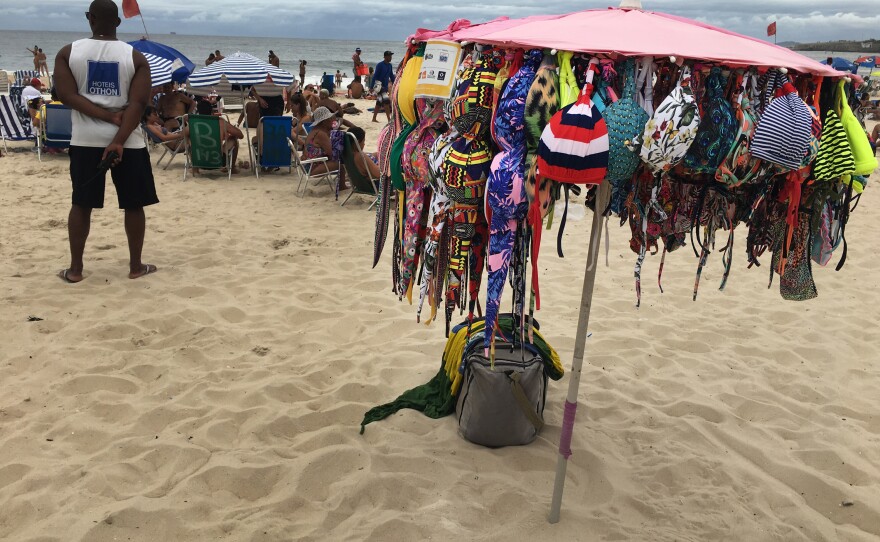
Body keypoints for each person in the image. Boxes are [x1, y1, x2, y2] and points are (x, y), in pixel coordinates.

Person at [54, 0, 158, 283]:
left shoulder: (68, 52)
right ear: (118, 23)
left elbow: (67, 96)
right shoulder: (135, 57)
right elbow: (137, 103)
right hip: (129, 142)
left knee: (81, 203)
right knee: (133, 205)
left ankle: (76, 270)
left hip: (86, 139)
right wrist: (119, 137)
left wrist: (104, 117)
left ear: (90, 18)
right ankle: (135, 267)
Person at [192, 99, 243, 174]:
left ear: (198, 111)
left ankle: (195, 170)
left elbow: (182, 135)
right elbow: (240, 135)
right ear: (211, 111)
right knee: (233, 139)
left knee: (189, 138)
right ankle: (232, 168)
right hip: (218, 161)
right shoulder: (220, 122)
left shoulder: (193, 123)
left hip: (199, 161)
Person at [301, 106, 338, 177]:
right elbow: (332, 154)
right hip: (313, 169)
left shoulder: (314, 131)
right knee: (342, 162)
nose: (332, 121)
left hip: (307, 166)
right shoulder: (321, 134)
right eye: (330, 119)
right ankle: (342, 185)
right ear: (324, 122)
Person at [371, 50, 395, 123]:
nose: (390, 57)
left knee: (379, 103)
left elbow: (391, 75)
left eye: (391, 56)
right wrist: (371, 87)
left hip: (385, 87)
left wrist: (395, 83)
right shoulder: (380, 65)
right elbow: (375, 76)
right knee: (386, 102)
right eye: (389, 56)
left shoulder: (390, 65)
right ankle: (389, 119)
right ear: (385, 57)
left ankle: (374, 118)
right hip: (379, 87)